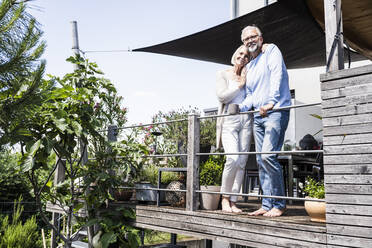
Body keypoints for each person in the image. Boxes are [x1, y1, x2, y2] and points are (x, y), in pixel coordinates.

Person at [239, 25, 291, 217]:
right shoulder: (250, 65)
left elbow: (277, 75)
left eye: (252, 37)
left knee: (269, 156)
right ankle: (267, 204)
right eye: (245, 39)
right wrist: (240, 107)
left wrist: (271, 102)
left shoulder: (272, 50)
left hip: (276, 111)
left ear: (261, 38)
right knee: (261, 161)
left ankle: (279, 203)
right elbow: (251, 94)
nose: (249, 41)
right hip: (258, 117)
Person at [216, 45, 253, 213]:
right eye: (240, 53)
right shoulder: (223, 74)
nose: (242, 57)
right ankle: (224, 198)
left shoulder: (249, 74)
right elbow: (222, 96)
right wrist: (240, 85)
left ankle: (233, 200)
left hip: (246, 119)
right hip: (230, 120)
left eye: (246, 55)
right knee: (233, 158)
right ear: (235, 54)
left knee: (242, 162)